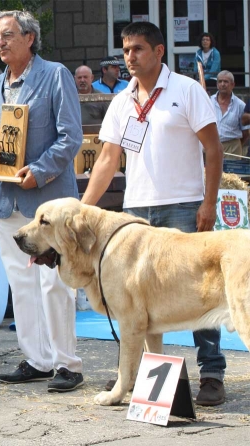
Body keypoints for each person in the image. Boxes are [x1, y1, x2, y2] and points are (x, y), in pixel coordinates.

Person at [80, 21, 227, 406]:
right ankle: (150, 383)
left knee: (201, 290)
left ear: (159, 52)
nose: (129, 57)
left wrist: (208, 202)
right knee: (136, 298)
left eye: (138, 49)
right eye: (126, 50)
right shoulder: (120, 100)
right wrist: (83, 209)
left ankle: (211, 373)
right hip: (135, 213)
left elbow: (213, 149)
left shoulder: (187, 89)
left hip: (184, 204)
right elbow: (109, 159)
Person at [0, 10, 84, 392]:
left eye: (7, 35)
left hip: (49, 202)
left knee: (55, 284)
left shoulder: (55, 74)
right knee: (21, 284)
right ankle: (37, 359)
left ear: (29, 38)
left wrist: (39, 170)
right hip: (7, 199)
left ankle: (67, 365)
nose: (0, 43)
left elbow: (70, 137)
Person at [211, 71, 250, 160]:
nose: (223, 84)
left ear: (233, 85)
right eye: (220, 81)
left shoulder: (240, 105)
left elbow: (245, 133)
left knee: (231, 174)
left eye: (226, 82)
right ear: (217, 84)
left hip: (233, 148)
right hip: (211, 146)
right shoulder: (208, 102)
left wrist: (235, 145)